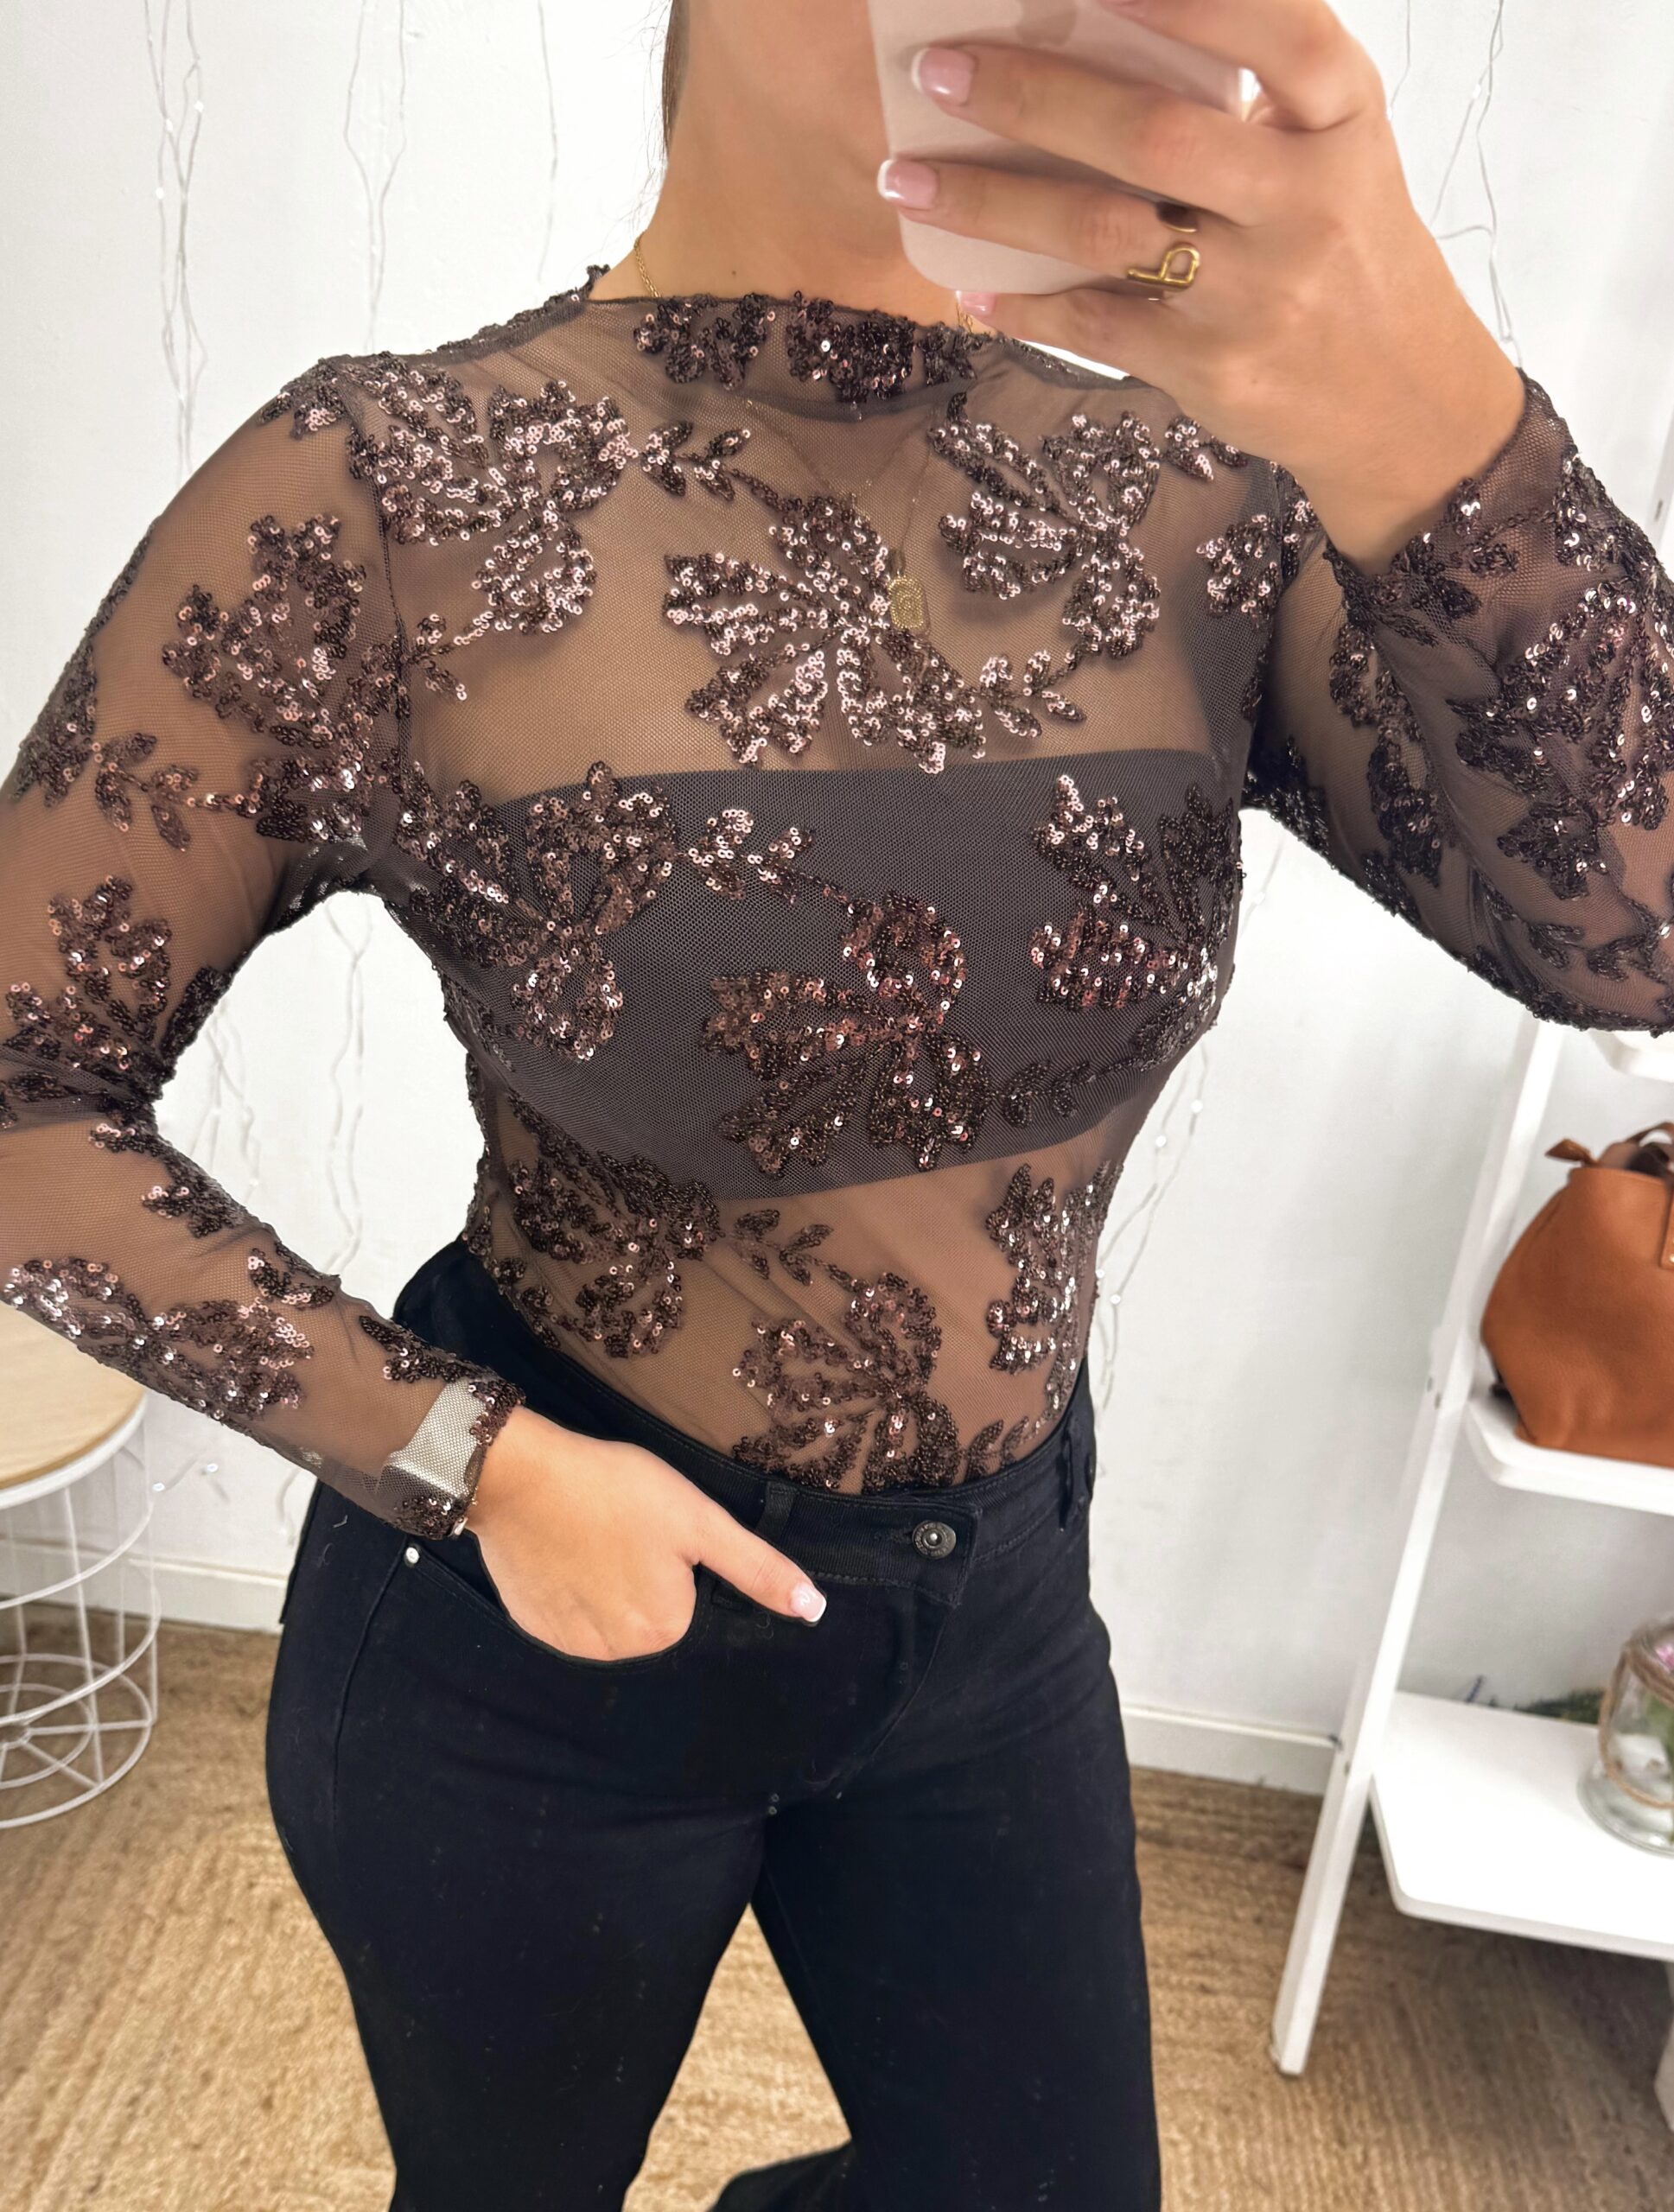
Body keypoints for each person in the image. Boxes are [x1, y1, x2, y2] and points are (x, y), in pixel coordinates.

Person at [3, 2, 1669, 2205]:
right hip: (539, 1610)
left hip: (997, 1609)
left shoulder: (1202, 497)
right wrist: (459, 1458)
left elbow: (1637, 939)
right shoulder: (382, 489)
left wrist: (1429, 412)